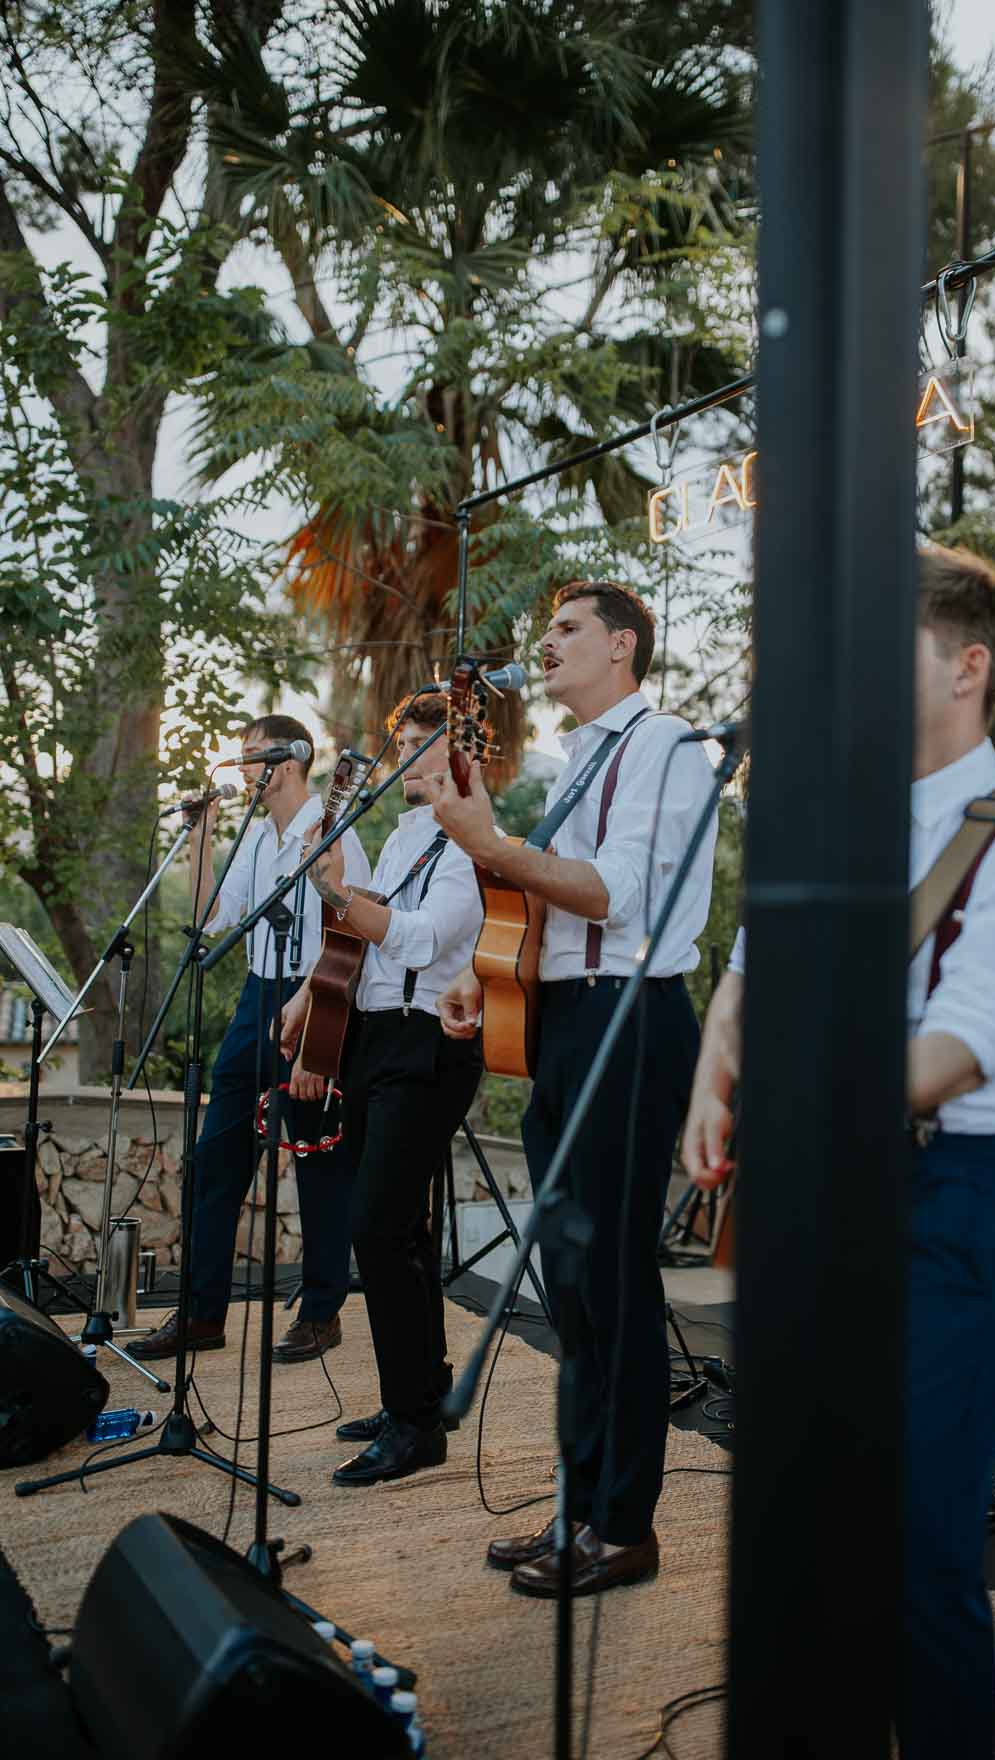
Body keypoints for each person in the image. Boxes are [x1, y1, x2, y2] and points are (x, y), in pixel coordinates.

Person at [683, 546, 995, 1758]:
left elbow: (948, 1055)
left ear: (968, 666)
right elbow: (747, 974)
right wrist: (715, 1076)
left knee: (918, 1547)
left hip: (951, 1203)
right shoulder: (837, 816)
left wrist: (782, 1091)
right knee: (809, 1529)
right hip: (813, 1195)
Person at [427, 580, 718, 1598]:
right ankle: (581, 1503)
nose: (542, 643)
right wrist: (487, 968)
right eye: (543, 628)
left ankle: (626, 1526)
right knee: (568, 1282)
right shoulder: (581, 757)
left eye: (565, 629)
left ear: (623, 646)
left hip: (629, 1020)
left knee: (614, 1282)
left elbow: (616, 892)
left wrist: (492, 845)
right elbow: (549, 902)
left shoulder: (665, 746)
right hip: (565, 1017)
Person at [283, 692, 484, 1485]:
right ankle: (419, 1395)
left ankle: (412, 1425)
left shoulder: (469, 837)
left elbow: (423, 937)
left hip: (427, 1040)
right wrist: (310, 992)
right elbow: (363, 934)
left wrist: (336, 894)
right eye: (396, 740)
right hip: (373, 1035)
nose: (399, 754)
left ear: (452, 751)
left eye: (414, 743)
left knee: (376, 1223)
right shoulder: (402, 834)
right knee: (401, 1234)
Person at [130, 716, 371, 1365]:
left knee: (318, 1164)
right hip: (255, 996)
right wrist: (203, 837)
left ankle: (321, 1312)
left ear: (286, 763)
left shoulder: (332, 826)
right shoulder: (258, 836)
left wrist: (318, 1024)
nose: (240, 771)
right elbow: (213, 918)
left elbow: (349, 936)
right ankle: (203, 1313)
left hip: (314, 993)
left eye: (250, 758)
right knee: (215, 1160)